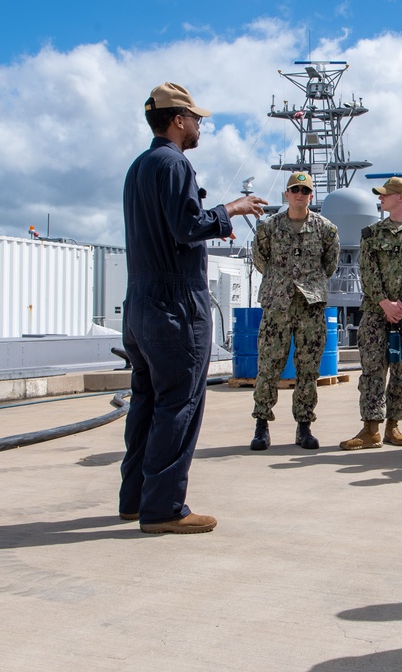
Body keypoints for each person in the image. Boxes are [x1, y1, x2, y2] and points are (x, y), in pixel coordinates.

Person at [120, 82, 265, 534]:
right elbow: (186, 227)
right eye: (196, 118)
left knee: (146, 401)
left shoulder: (139, 166)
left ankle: (135, 500)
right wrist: (230, 210)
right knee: (179, 403)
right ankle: (163, 509)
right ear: (178, 120)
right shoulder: (175, 163)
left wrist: (209, 223)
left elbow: (170, 228)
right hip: (174, 303)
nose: (200, 125)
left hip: (140, 302)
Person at [340, 177, 402, 450]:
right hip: (375, 311)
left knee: (401, 371)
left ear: (401, 198)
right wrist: (384, 302)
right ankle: (370, 430)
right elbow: (367, 272)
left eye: (386, 195)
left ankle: (394, 427)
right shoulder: (370, 233)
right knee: (372, 370)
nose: (380, 199)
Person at [249, 172, 340, 451]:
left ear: (311, 196)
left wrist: (307, 285)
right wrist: (282, 283)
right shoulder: (268, 227)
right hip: (277, 305)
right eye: (294, 189)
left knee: (308, 368)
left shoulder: (326, 229)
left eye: (305, 190)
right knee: (268, 366)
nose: (299, 194)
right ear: (286, 194)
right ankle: (261, 426)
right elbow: (260, 259)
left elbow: (330, 265)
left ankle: (304, 426)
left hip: (310, 308)